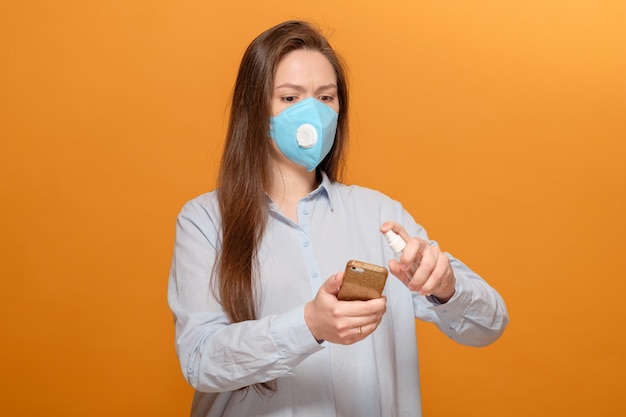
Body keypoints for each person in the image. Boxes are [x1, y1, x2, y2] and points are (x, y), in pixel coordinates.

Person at [168, 20, 509, 417]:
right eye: (290, 98)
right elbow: (199, 360)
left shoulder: (380, 215)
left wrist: (447, 287)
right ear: (256, 109)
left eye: (325, 97)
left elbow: (490, 325)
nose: (312, 112)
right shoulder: (205, 221)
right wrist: (309, 325)